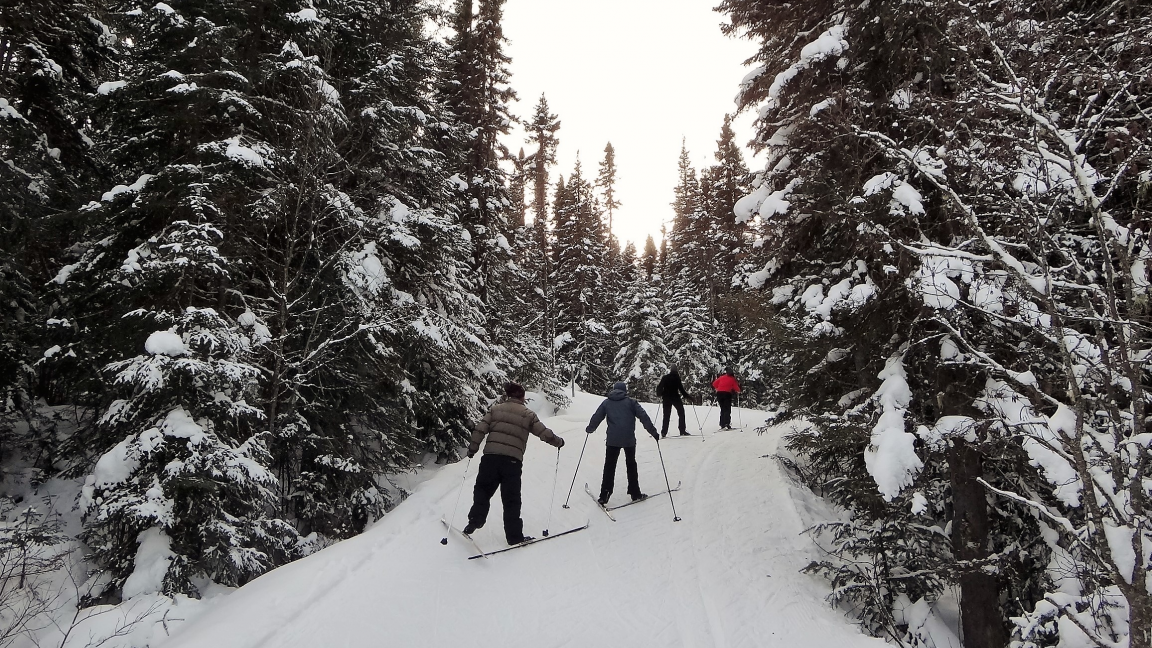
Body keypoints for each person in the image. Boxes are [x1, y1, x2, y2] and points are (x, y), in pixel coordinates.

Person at [464, 382, 565, 545]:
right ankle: (514, 537)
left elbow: (480, 429)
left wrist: (472, 449)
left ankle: (475, 521)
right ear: (522, 397)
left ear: (508, 396)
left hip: (490, 458)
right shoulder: (528, 414)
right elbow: (543, 433)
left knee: (482, 490)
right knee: (511, 499)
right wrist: (558, 442)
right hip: (512, 462)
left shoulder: (495, 410)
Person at [586, 381, 659, 505]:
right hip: (628, 439)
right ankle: (635, 493)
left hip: (612, 440)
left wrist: (590, 428)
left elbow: (597, 416)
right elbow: (644, 417)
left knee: (609, 465)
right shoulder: (631, 403)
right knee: (631, 464)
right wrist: (654, 432)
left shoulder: (607, 403)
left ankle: (604, 494)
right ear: (625, 391)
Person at [655, 365, 693, 437]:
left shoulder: (665, 377)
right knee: (681, 412)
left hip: (666, 398)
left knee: (666, 415)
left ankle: (664, 432)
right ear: (676, 370)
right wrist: (688, 397)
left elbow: (659, 387)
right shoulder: (677, 378)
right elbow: (681, 390)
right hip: (675, 397)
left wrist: (660, 394)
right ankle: (682, 430)